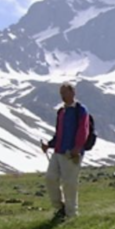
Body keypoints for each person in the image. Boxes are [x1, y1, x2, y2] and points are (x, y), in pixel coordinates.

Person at [41, 83, 90, 219]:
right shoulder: (61, 112)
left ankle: (71, 214)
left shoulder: (80, 110)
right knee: (50, 178)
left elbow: (83, 130)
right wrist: (49, 145)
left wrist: (77, 147)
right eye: (61, 93)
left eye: (65, 93)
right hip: (58, 151)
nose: (62, 96)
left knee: (69, 183)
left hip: (71, 153)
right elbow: (59, 133)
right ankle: (59, 207)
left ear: (72, 92)